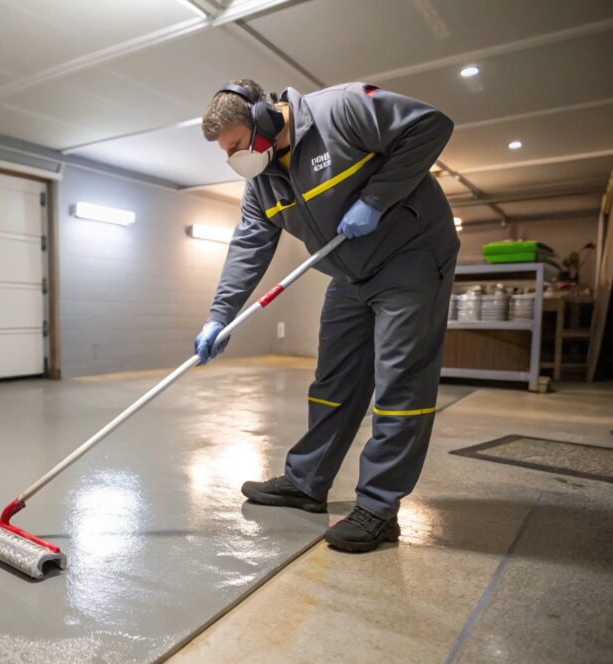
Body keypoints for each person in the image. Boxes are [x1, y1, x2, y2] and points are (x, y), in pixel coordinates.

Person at [195, 79, 459, 553]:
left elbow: (431, 125)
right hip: (348, 273)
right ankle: (307, 483)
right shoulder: (263, 183)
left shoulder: (343, 109)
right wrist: (219, 317)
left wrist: (376, 199)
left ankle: (378, 508)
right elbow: (249, 247)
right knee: (333, 381)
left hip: (411, 256)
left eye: (235, 145)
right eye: (225, 152)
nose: (233, 158)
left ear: (263, 117)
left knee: (400, 382)